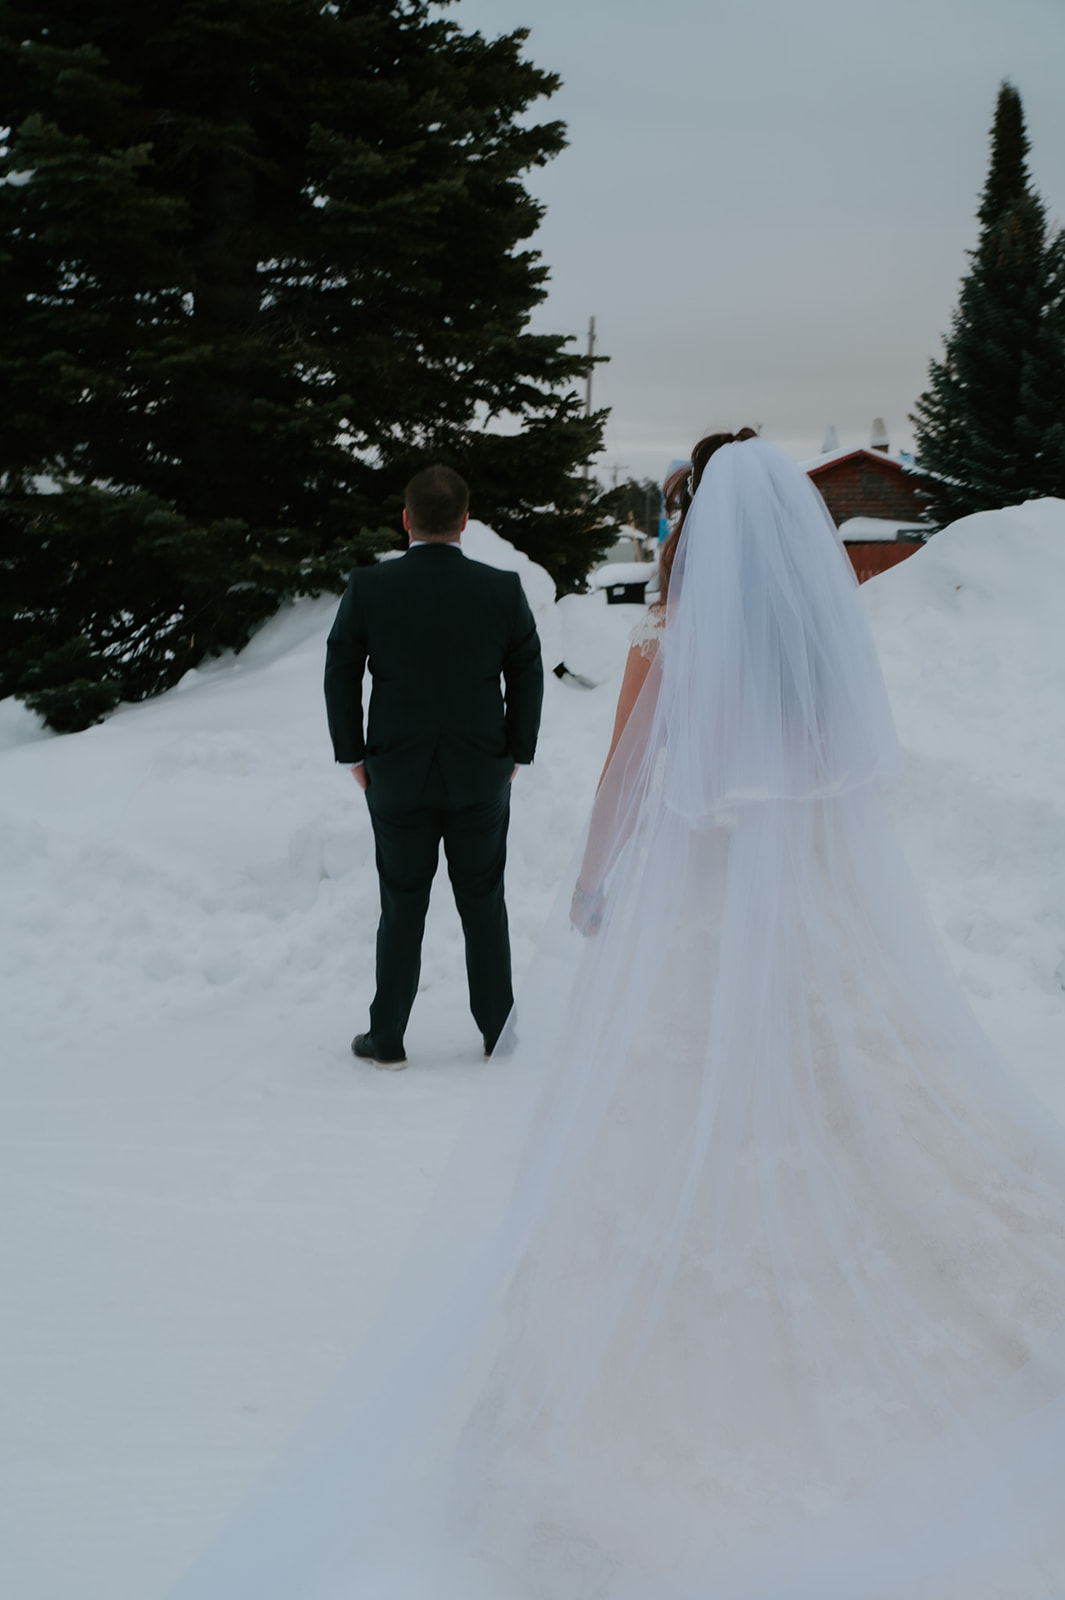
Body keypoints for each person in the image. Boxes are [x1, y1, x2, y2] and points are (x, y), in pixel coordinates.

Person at [176, 435, 1065, 1600]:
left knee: (670, 1116)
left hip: (691, 902)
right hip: (810, 906)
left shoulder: (669, 639)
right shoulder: (813, 643)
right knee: (852, 1087)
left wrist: (595, 887)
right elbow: (846, 770)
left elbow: (625, 783)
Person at [324, 464, 543, 1066]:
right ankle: (498, 1030)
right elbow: (527, 669)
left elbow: (340, 665)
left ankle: (387, 1035)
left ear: (406, 520)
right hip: (480, 775)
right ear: (465, 522)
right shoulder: (501, 589)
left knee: (401, 903)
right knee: (483, 900)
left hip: (394, 774)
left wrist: (353, 754)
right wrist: (515, 752)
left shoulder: (370, 587)